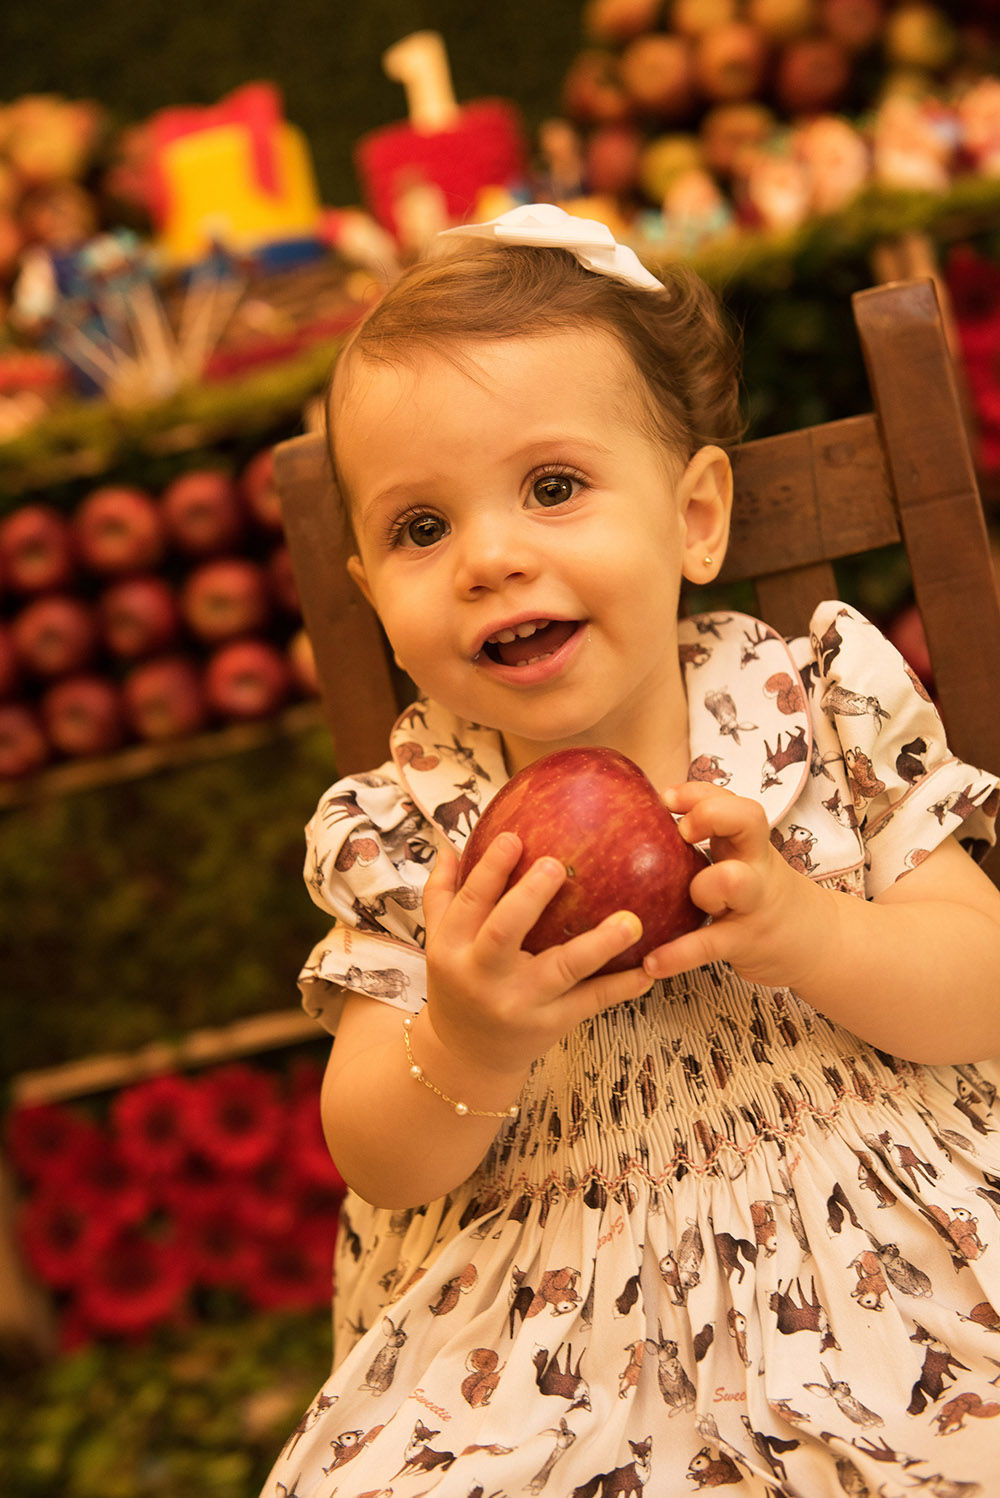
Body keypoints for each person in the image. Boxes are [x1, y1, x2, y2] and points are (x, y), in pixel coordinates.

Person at [261, 204, 1000, 1497]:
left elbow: (983, 980)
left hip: (886, 1238)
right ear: (373, 592)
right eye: (422, 529)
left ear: (697, 514)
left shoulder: (811, 695)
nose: (489, 556)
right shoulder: (407, 825)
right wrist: (468, 1033)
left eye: (553, 487)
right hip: (544, 1320)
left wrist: (813, 930)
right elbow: (376, 1148)